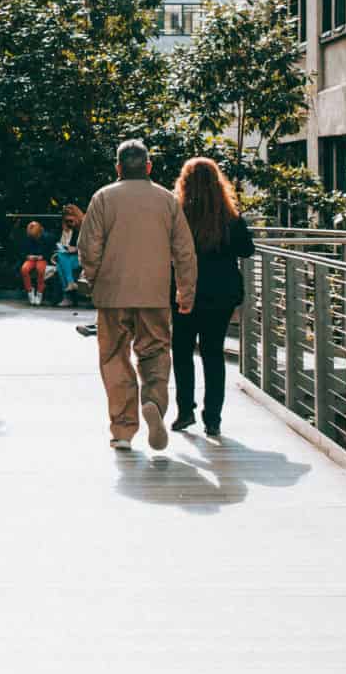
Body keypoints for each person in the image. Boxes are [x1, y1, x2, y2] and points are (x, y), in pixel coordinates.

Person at [76, 138, 197, 452]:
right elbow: (184, 251)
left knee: (115, 358)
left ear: (118, 167)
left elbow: (88, 247)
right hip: (154, 293)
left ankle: (123, 430)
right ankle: (154, 401)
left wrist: (93, 277)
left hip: (112, 294)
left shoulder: (103, 197)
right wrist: (186, 291)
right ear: (148, 166)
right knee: (155, 351)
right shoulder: (166, 200)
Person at [172, 157, 254, 437]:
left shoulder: (177, 215)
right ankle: (213, 418)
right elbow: (246, 250)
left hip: (185, 290)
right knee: (212, 353)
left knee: (182, 350)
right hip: (221, 293)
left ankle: (185, 410)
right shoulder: (230, 218)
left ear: (184, 183)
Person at [51, 206, 84, 306]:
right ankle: (70, 285)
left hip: (83, 257)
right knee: (60, 260)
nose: (69, 223)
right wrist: (66, 232)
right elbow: (59, 245)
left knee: (61, 263)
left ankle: (68, 296)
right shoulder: (67, 229)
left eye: (70, 220)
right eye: (66, 221)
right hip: (70, 258)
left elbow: (90, 245)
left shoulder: (84, 227)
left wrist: (76, 249)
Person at [20, 219, 50, 305]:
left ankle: (39, 293)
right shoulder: (27, 236)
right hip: (31, 258)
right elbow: (21, 251)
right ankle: (30, 291)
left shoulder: (47, 237)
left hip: (42, 258)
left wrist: (42, 256)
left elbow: (50, 251)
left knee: (41, 270)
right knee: (24, 269)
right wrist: (28, 256)